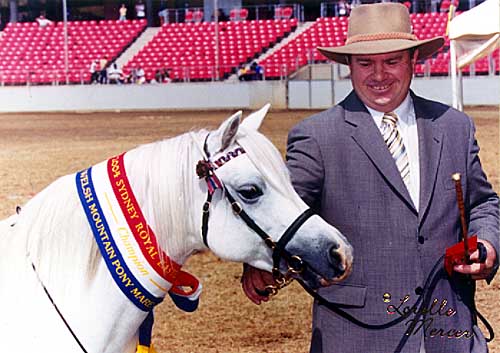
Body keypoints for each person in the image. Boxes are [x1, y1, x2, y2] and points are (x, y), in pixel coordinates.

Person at [241, 3, 499, 353]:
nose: (379, 75)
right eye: (366, 63)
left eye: (391, 61)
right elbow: (284, 219)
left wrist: (487, 246)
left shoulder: (454, 127)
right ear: (349, 66)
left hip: (451, 333)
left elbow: (482, 203)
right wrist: (260, 264)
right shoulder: (316, 137)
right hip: (357, 337)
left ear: (412, 61)